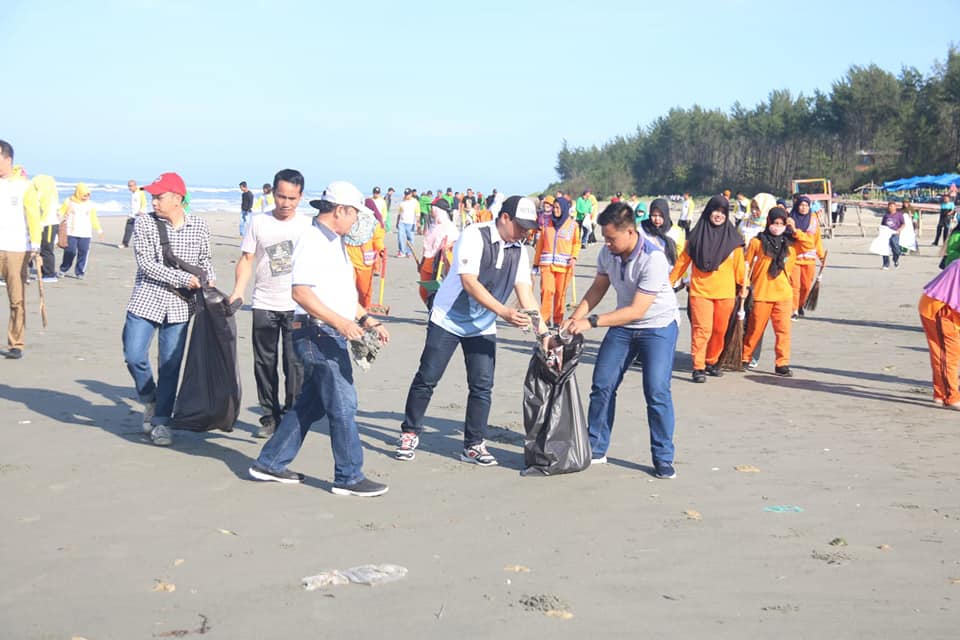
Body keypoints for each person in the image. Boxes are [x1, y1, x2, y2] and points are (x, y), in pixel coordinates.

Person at [249, 181, 389, 497]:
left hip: (324, 329)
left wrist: (367, 319)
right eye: (354, 214)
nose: (356, 221)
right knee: (343, 404)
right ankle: (349, 476)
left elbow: (338, 293)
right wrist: (340, 323)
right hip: (316, 332)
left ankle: (269, 462)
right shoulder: (312, 240)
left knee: (310, 405)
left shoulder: (333, 240)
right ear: (340, 210)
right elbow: (300, 292)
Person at [395, 196, 548, 466]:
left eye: (529, 227)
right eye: (521, 226)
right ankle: (409, 432)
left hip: (482, 325)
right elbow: (469, 282)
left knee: (482, 385)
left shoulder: (520, 251)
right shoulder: (475, 235)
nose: (525, 232)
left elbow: (525, 294)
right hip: (448, 318)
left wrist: (543, 333)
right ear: (504, 218)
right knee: (428, 377)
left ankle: (473, 444)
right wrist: (503, 312)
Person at [563, 202, 680, 479]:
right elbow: (598, 289)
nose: (607, 243)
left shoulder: (653, 258)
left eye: (611, 238)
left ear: (630, 232)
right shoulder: (608, 253)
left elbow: (637, 310)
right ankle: (595, 446)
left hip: (658, 326)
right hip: (623, 327)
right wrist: (574, 318)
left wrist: (590, 323)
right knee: (602, 384)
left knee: (656, 391)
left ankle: (663, 457)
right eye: (605, 237)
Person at [123, 172, 215, 446]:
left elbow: (205, 259)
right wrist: (182, 278)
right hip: (146, 299)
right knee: (134, 354)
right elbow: (147, 264)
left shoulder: (198, 226)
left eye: (159, 196)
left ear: (177, 199)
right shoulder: (144, 224)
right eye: (152, 196)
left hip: (181, 305)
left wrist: (209, 278)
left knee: (170, 364)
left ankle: (162, 422)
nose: (153, 201)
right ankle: (149, 396)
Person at [228, 169, 310, 439]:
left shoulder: (307, 226)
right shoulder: (258, 222)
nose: (286, 203)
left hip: (297, 306)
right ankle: (269, 417)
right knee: (264, 363)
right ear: (273, 193)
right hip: (264, 302)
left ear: (300, 197)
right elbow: (247, 259)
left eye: (292, 198)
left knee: (294, 365)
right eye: (281, 196)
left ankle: (291, 416)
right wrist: (239, 290)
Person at [669, 195, 745, 382]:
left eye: (722, 212)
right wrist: (668, 283)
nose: (718, 215)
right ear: (708, 212)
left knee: (719, 330)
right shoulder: (695, 238)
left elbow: (740, 267)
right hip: (700, 292)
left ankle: (712, 361)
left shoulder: (734, 241)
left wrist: (745, 286)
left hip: (726, 293)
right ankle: (699, 366)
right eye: (715, 211)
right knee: (702, 329)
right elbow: (681, 264)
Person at [741, 207, 815, 377]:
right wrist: (744, 286)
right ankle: (745, 356)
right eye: (775, 223)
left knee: (783, 331)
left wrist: (794, 230)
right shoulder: (757, 242)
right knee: (754, 329)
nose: (778, 226)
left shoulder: (792, 244)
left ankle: (782, 363)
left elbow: (810, 245)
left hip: (784, 295)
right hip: (761, 293)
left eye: (781, 223)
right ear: (769, 223)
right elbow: (745, 266)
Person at [0, 140, 41, 360]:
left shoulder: (24, 185)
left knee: (16, 298)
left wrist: (35, 245)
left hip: (16, 248)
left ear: (7, 159)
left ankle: (16, 343)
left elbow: (34, 215)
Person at [918, 259, 960, 409]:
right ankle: (951, 396)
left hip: (945, 309)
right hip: (940, 311)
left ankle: (941, 394)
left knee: (945, 355)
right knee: (947, 355)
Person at [534, 196, 580, 327]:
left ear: (565, 208)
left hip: (564, 266)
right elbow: (540, 244)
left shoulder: (573, 225)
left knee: (560, 293)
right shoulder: (546, 224)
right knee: (547, 290)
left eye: (558, 208)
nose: (555, 210)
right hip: (547, 264)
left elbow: (576, 243)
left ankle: (558, 320)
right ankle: (545, 318)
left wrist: (574, 257)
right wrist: (535, 263)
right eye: (554, 207)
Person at [788, 195, 825, 318]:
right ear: (797, 206)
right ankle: (793, 310)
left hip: (809, 259)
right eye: (801, 205)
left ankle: (800, 304)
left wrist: (821, 255)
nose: (803, 208)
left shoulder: (813, 220)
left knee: (806, 286)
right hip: (795, 259)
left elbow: (816, 239)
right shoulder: (791, 219)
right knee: (794, 286)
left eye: (806, 205)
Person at [57, 183, 104, 280]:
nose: (86, 197)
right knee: (70, 252)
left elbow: (93, 218)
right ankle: (63, 269)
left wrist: (99, 230)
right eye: (84, 195)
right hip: (71, 231)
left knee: (83, 252)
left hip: (85, 233)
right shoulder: (69, 201)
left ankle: (80, 271)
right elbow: (60, 212)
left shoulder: (90, 205)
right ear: (78, 193)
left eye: (88, 195)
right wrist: (62, 214)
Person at [418, 199, 459, 305]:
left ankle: (435, 312)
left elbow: (456, 242)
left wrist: (449, 246)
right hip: (427, 263)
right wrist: (422, 262)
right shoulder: (433, 225)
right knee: (423, 290)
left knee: (436, 291)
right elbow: (427, 246)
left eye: (432, 208)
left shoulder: (450, 227)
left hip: (440, 264)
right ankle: (430, 309)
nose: (431, 210)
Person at [345, 204, 385, 309]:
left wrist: (381, 249)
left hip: (364, 262)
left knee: (364, 290)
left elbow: (377, 239)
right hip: (348, 260)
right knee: (348, 289)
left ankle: (364, 309)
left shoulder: (372, 223)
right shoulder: (345, 222)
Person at [31, 175, 61, 282]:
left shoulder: (44, 194)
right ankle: (45, 272)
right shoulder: (53, 193)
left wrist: (41, 223)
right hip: (51, 224)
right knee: (44, 249)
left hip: (47, 225)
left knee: (46, 249)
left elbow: (45, 210)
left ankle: (49, 274)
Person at [119, 180, 148, 248]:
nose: (129, 187)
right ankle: (125, 244)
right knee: (128, 229)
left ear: (135, 185)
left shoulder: (140, 192)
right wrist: (130, 214)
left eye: (131, 186)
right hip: (132, 215)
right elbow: (133, 206)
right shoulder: (133, 194)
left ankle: (144, 244)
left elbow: (143, 202)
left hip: (140, 215)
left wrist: (141, 211)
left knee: (141, 231)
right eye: (128, 186)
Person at [880, 200, 905, 270]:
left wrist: (899, 230)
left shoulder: (899, 215)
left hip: (895, 233)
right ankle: (886, 264)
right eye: (889, 206)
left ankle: (895, 259)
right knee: (884, 249)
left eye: (892, 206)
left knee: (896, 248)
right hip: (886, 234)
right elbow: (882, 225)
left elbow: (903, 224)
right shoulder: (886, 215)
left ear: (895, 207)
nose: (891, 207)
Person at [396, 188, 418, 257]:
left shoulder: (415, 202)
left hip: (411, 223)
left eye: (408, 194)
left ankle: (409, 252)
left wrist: (417, 222)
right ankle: (402, 252)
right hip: (402, 222)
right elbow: (399, 213)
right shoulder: (402, 202)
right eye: (405, 194)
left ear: (411, 194)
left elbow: (417, 213)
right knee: (400, 237)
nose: (406, 196)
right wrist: (397, 222)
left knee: (410, 238)